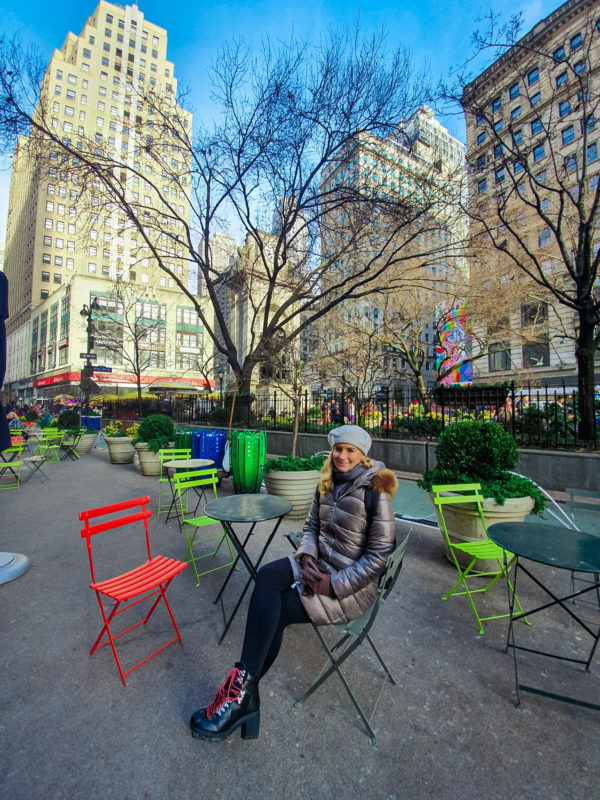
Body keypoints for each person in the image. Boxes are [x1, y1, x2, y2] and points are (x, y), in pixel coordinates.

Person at [189, 424, 397, 741]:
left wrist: (332, 584)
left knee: (280, 609)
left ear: (362, 456)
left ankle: (239, 698)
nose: (342, 455)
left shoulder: (375, 493)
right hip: (318, 566)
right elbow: (311, 527)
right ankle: (244, 695)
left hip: (348, 587)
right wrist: (307, 556)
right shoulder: (326, 481)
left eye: (349, 451)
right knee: (267, 578)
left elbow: (378, 558)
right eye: (338, 449)